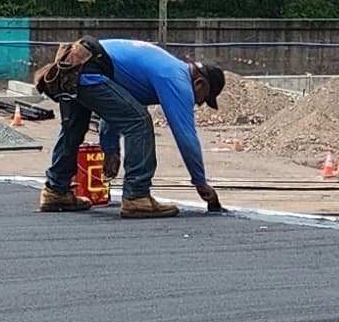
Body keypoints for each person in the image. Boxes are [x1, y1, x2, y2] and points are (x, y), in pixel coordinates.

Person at [34, 36, 227, 217]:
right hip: (90, 68)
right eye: (203, 99)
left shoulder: (163, 66)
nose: (197, 103)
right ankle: (137, 196)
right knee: (140, 123)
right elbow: (186, 137)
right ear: (200, 84)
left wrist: (110, 150)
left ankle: (56, 191)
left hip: (74, 64)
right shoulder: (178, 80)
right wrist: (200, 182)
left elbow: (114, 109)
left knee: (73, 128)